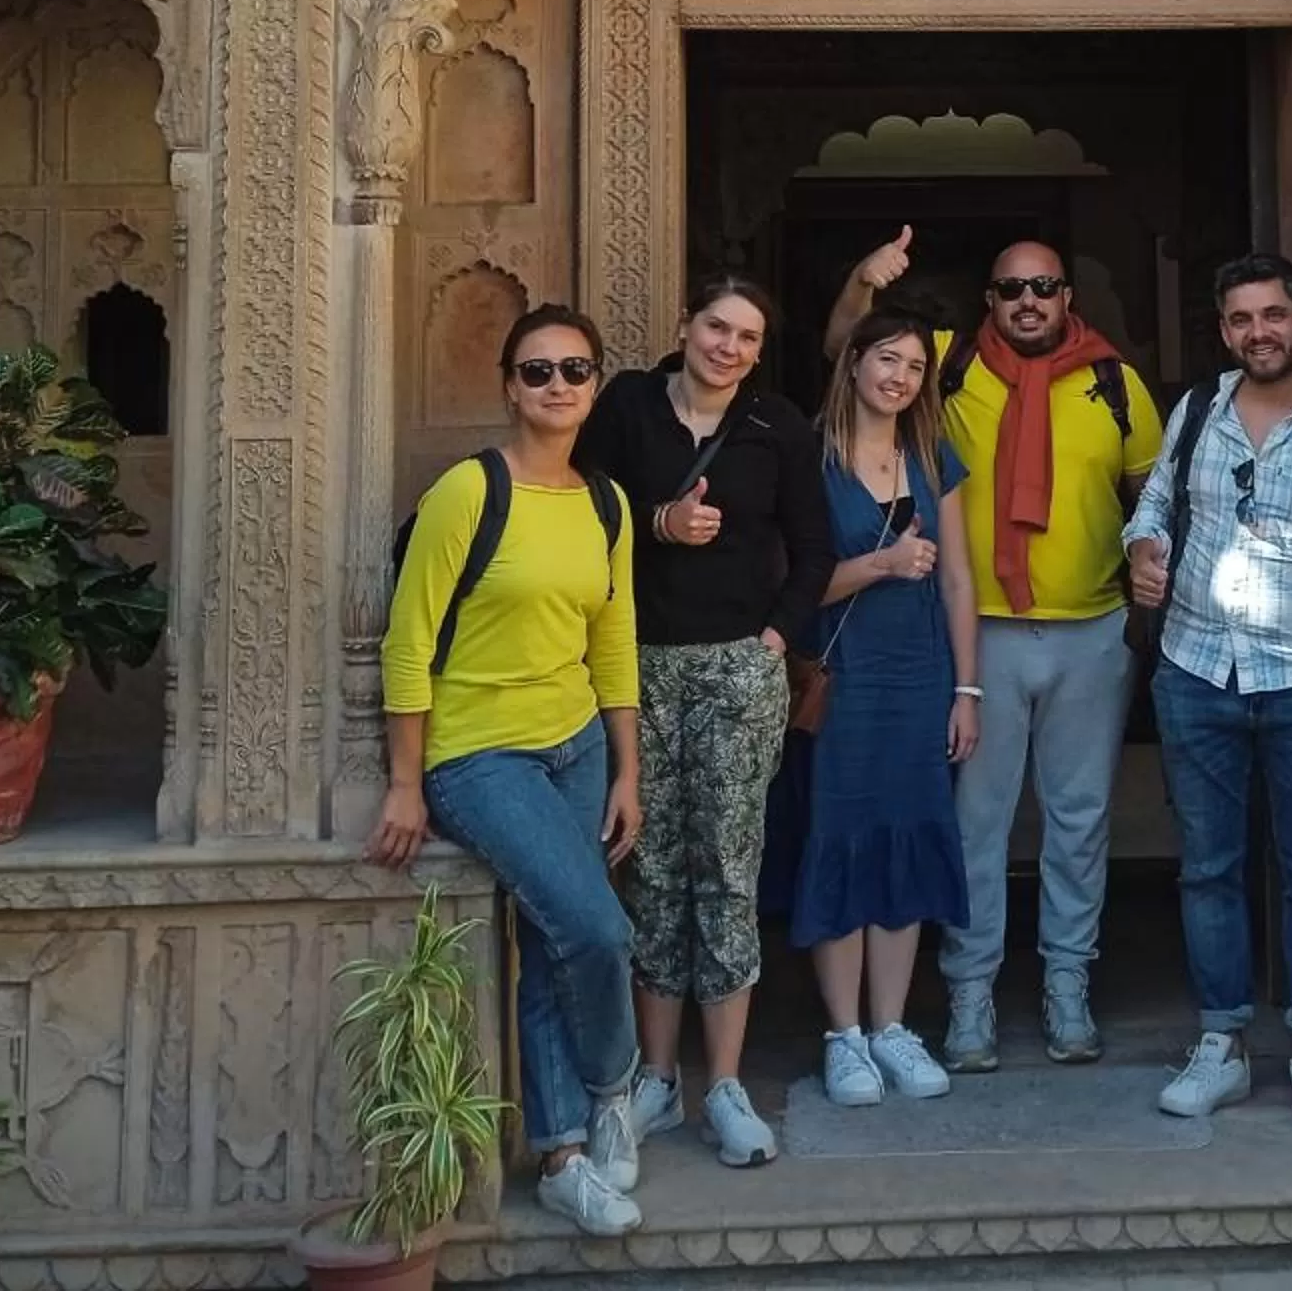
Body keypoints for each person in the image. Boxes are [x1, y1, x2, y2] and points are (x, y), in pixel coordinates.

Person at [828, 228, 1158, 1070]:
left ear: (1066, 297)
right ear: (989, 302)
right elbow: (850, 353)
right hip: (982, 637)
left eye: (1044, 288)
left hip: (1090, 630)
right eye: (1011, 290)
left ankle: (1066, 984)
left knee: (1079, 821)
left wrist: (1153, 561)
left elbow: (1154, 491)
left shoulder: (1115, 383)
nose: (1028, 303)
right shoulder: (948, 365)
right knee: (978, 822)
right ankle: (969, 993)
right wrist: (864, 281)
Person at [369, 304, 647, 1238]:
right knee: (597, 928)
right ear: (507, 385)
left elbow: (615, 645)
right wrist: (407, 781)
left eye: (574, 370)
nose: (557, 387)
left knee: (552, 936)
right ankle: (616, 1085)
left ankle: (565, 1152)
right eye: (537, 371)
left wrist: (626, 771)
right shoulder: (469, 492)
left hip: (576, 744)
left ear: (595, 385)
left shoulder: (606, 504)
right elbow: (408, 641)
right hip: (480, 755)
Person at [577, 276, 833, 1170]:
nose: (728, 346)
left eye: (747, 337)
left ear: (760, 352)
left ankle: (724, 1083)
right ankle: (657, 1078)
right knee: (648, 866)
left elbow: (816, 547)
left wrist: (773, 640)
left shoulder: (777, 427)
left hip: (737, 666)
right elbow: (583, 511)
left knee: (726, 867)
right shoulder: (628, 408)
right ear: (684, 325)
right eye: (717, 327)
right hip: (633, 666)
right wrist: (659, 521)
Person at [1122, 254, 1292, 1133]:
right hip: (1195, 670)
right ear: (1223, 328)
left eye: (1272, 315)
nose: (1258, 332)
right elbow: (1153, 503)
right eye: (1240, 319)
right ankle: (1221, 1042)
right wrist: (1145, 548)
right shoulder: (1197, 411)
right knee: (1208, 869)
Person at [785, 308, 984, 1105]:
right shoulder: (809, 456)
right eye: (886, 360)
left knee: (906, 839)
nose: (899, 378)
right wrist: (880, 563)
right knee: (844, 839)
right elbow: (794, 591)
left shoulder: (935, 457)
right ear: (854, 361)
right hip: (844, 682)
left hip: (919, 675)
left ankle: (893, 1027)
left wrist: (967, 690)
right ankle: (845, 1037)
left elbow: (959, 581)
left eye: (914, 367)